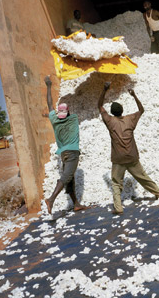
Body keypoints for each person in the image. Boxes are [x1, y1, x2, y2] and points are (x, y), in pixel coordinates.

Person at [98, 82, 159, 214]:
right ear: (122, 111)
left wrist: (104, 89)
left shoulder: (110, 121)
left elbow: (99, 106)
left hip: (118, 159)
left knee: (116, 183)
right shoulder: (130, 119)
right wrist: (134, 96)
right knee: (142, 177)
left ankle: (118, 208)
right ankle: (158, 193)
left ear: (112, 112)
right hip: (132, 156)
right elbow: (141, 110)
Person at [44, 75, 89, 214]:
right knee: (66, 177)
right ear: (68, 112)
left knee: (70, 179)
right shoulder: (73, 119)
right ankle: (51, 199)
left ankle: (76, 204)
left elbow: (49, 104)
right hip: (73, 153)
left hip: (63, 153)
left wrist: (48, 86)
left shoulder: (54, 120)